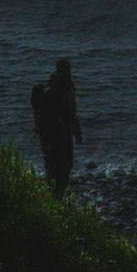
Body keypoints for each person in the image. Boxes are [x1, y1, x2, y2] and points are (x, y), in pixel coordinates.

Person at [31, 59, 83, 196]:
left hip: (66, 135)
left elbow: (72, 113)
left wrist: (77, 133)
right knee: (55, 167)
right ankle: (53, 196)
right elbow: (44, 118)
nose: (68, 73)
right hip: (54, 137)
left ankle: (58, 194)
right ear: (58, 71)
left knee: (67, 164)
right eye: (65, 70)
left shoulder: (69, 89)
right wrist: (47, 141)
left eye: (69, 70)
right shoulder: (51, 91)